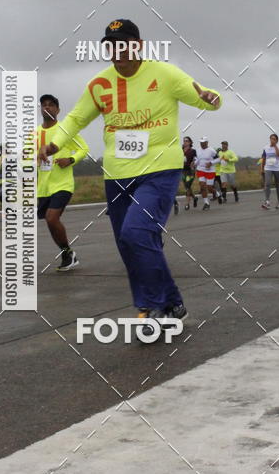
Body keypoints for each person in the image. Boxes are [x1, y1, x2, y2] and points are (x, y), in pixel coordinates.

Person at [38, 19, 221, 328]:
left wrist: (212, 98)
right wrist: (54, 144)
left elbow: (201, 95)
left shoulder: (164, 74)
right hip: (118, 174)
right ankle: (169, 303)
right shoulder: (99, 84)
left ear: (138, 45)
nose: (118, 50)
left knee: (136, 232)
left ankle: (155, 304)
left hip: (159, 170)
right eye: (111, 45)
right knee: (128, 243)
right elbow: (76, 119)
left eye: (124, 43)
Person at [36, 94, 89, 271]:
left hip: (63, 184)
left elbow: (84, 149)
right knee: (50, 221)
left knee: (52, 217)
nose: (47, 107)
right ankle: (67, 253)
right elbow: (28, 157)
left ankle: (67, 253)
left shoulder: (64, 130)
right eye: (44, 105)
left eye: (51, 105)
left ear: (58, 110)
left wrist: (70, 160)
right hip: (43, 187)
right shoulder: (35, 133)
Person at [195, 137, 221, 209]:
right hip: (200, 170)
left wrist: (211, 163)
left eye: (203, 142)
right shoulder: (198, 150)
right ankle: (206, 203)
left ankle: (217, 194)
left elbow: (219, 159)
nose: (201, 144)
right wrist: (194, 163)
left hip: (210, 171)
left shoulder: (212, 151)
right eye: (200, 142)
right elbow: (198, 159)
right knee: (202, 185)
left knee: (209, 188)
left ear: (207, 142)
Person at [261, 133, 279, 209]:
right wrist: (262, 168)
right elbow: (263, 158)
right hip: (268, 168)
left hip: (278, 168)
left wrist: (275, 146)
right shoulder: (266, 147)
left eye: (274, 139)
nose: (272, 140)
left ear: (276, 140)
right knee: (267, 184)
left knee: (278, 185)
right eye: (271, 139)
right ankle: (267, 202)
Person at [182, 136, 198, 210]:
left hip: (190, 171)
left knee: (188, 186)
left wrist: (193, 162)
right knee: (187, 187)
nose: (185, 142)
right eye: (184, 141)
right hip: (183, 171)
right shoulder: (181, 150)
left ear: (190, 142)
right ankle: (194, 198)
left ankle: (187, 203)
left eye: (187, 141)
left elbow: (195, 159)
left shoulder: (192, 151)